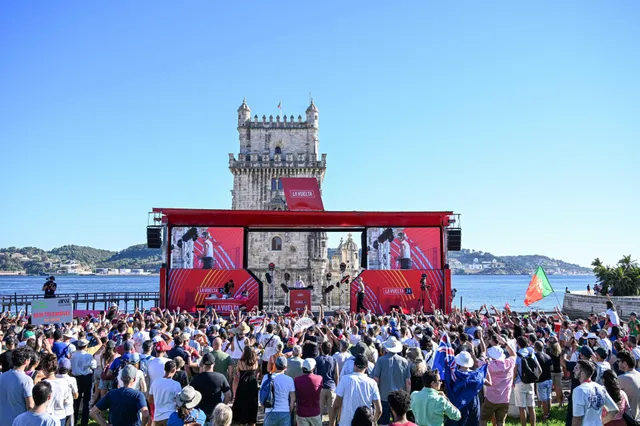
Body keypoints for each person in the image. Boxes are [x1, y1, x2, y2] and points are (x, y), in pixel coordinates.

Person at [331, 354, 382, 426]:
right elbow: (379, 410)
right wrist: (373, 422)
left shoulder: (345, 379)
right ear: (366, 367)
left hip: (346, 423)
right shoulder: (372, 383)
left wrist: (332, 423)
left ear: (354, 365)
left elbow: (336, 405)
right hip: (365, 423)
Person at [372, 337, 411, 425]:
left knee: (383, 423)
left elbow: (376, 380)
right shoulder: (404, 361)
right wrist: (407, 396)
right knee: (399, 422)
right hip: (399, 397)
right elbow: (408, 382)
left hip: (384, 396)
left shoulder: (381, 361)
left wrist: (374, 395)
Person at [572, 360, 618, 425]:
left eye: (576, 368)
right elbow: (614, 410)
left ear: (582, 373)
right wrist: (600, 423)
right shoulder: (601, 388)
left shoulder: (579, 390)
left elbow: (577, 418)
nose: (573, 370)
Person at [481, 342, 516, 426]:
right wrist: (505, 344)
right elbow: (513, 354)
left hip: (491, 398)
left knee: (483, 420)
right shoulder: (509, 363)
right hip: (505, 399)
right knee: (501, 422)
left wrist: (480, 353)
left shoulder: (488, 365)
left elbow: (475, 362)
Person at [190, 353, 231, 423]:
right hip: (215, 413)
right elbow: (228, 395)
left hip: (199, 414)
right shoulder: (221, 377)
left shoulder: (195, 378)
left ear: (202, 364)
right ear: (214, 364)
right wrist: (221, 407)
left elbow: (190, 396)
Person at [0, 346, 35, 426]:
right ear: (26, 361)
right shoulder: (27, 380)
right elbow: (30, 405)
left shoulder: (2, 376)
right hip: (19, 422)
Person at [261, 356, 296, 426]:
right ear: (286, 367)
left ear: (275, 366)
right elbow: (293, 399)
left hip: (270, 411)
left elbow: (261, 396)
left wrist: (264, 410)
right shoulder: (289, 380)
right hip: (284, 411)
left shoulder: (266, 377)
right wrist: (289, 412)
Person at [70, 339, 96, 426]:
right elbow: (93, 366)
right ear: (85, 346)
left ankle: (74, 419)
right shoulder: (88, 356)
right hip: (86, 378)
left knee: (76, 399)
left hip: (77, 378)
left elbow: (71, 367)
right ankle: (84, 421)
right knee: (86, 400)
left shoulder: (73, 355)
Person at [149, 360, 182, 426]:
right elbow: (179, 402)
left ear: (164, 369)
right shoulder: (176, 384)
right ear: (174, 370)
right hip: (171, 417)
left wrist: (159, 402)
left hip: (157, 417)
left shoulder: (155, 382)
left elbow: (150, 399)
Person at [232, 346, 259, 426]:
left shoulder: (241, 362)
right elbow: (257, 372)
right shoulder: (256, 361)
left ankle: (242, 422)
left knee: (242, 403)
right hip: (253, 383)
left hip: (243, 383)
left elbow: (237, 375)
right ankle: (252, 421)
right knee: (253, 403)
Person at [294, 358, 323, 426]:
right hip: (315, 412)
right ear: (313, 368)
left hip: (301, 413)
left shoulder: (296, 380)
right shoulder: (319, 378)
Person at [316, 341, 339, 418]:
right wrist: (337, 388)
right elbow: (337, 375)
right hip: (331, 387)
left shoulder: (317, 359)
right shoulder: (334, 360)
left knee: (319, 414)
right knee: (332, 415)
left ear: (321, 349)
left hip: (320, 388)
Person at [617, 351, 640, 422]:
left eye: (619, 361)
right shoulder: (639, 375)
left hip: (628, 419)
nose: (617, 363)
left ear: (624, 363)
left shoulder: (622, 378)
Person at [533, 341, 553, 421]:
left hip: (541, 380)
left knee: (544, 399)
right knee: (549, 397)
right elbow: (551, 368)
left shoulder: (535, 356)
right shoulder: (548, 356)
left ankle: (545, 415)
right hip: (549, 379)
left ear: (535, 348)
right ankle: (548, 413)